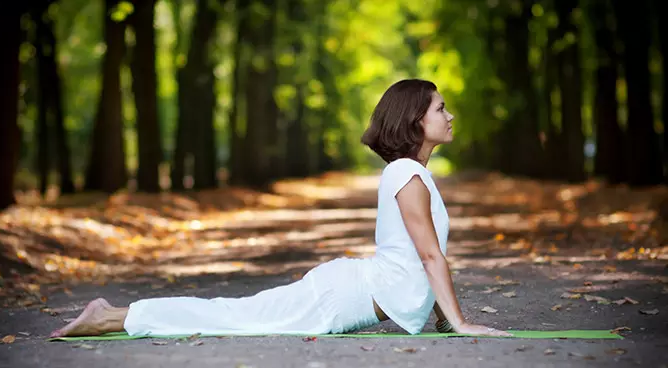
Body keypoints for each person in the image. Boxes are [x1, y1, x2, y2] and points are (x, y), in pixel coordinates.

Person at [49, 79, 511, 339]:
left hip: (346, 294)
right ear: (416, 120)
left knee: (234, 314)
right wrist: (462, 323)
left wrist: (445, 319)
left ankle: (115, 315)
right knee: (230, 317)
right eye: (440, 109)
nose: (449, 116)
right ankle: (111, 316)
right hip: (338, 298)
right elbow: (429, 257)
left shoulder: (411, 174)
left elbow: (416, 258)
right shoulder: (406, 174)